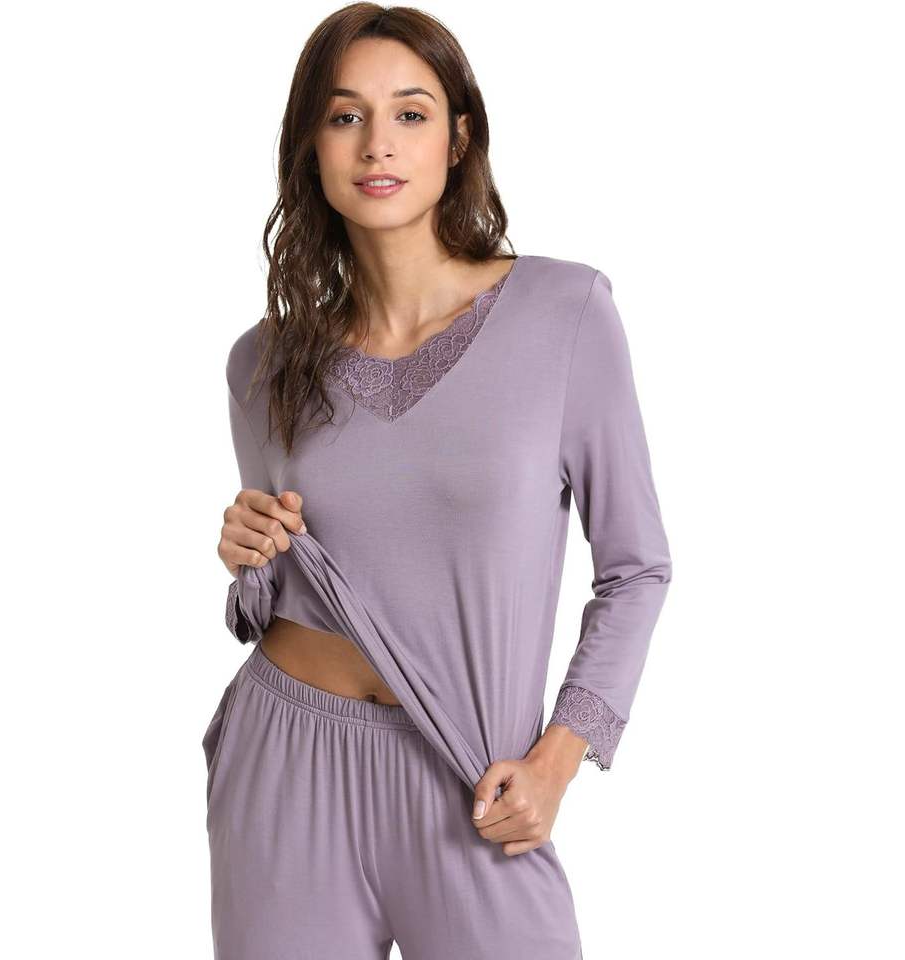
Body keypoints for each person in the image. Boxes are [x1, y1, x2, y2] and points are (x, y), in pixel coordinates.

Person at [203, 5, 672, 959]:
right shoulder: (262, 362)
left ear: (458, 140)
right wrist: (246, 552)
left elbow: (636, 569)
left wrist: (556, 762)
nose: (377, 144)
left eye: (410, 114)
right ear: (311, 147)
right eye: (345, 116)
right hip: (285, 765)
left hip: (472, 776)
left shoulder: (565, 313)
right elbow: (282, 589)